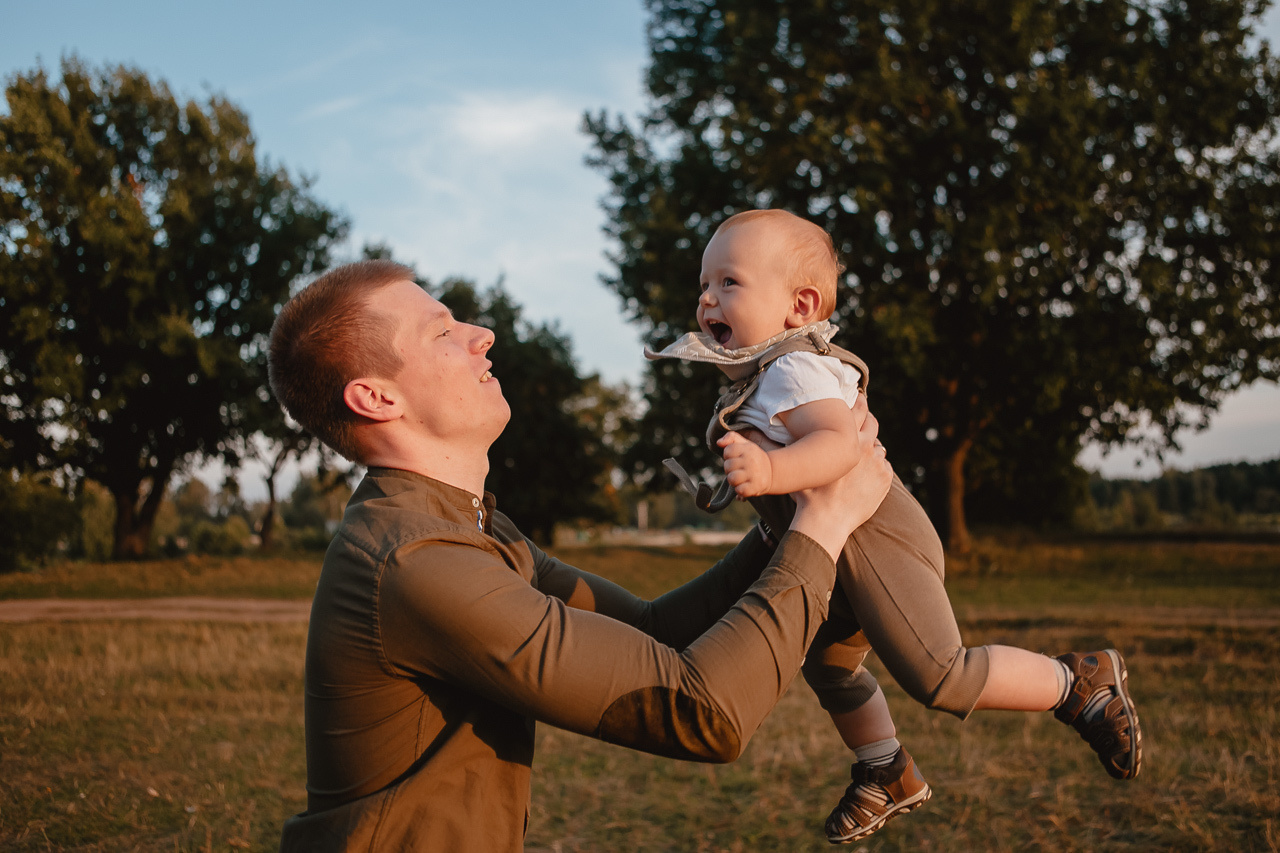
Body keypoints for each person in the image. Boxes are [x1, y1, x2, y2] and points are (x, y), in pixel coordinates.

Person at [265, 259, 896, 852]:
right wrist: (822, 525)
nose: (482, 334)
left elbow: (653, 632)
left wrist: (780, 531)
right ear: (376, 399)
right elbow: (702, 712)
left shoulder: (469, 526)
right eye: (442, 333)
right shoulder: (413, 559)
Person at [646, 209, 1143, 845]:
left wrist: (770, 469)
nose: (708, 298)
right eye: (704, 284)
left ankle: (1079, 683)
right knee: (828, 667)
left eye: (730, 283)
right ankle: (886, 770)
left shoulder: (795, 370)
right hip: (837, 556)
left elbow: (839, 446)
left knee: (940, 675)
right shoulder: (757, 377)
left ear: (800, 306)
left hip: (880, 543)